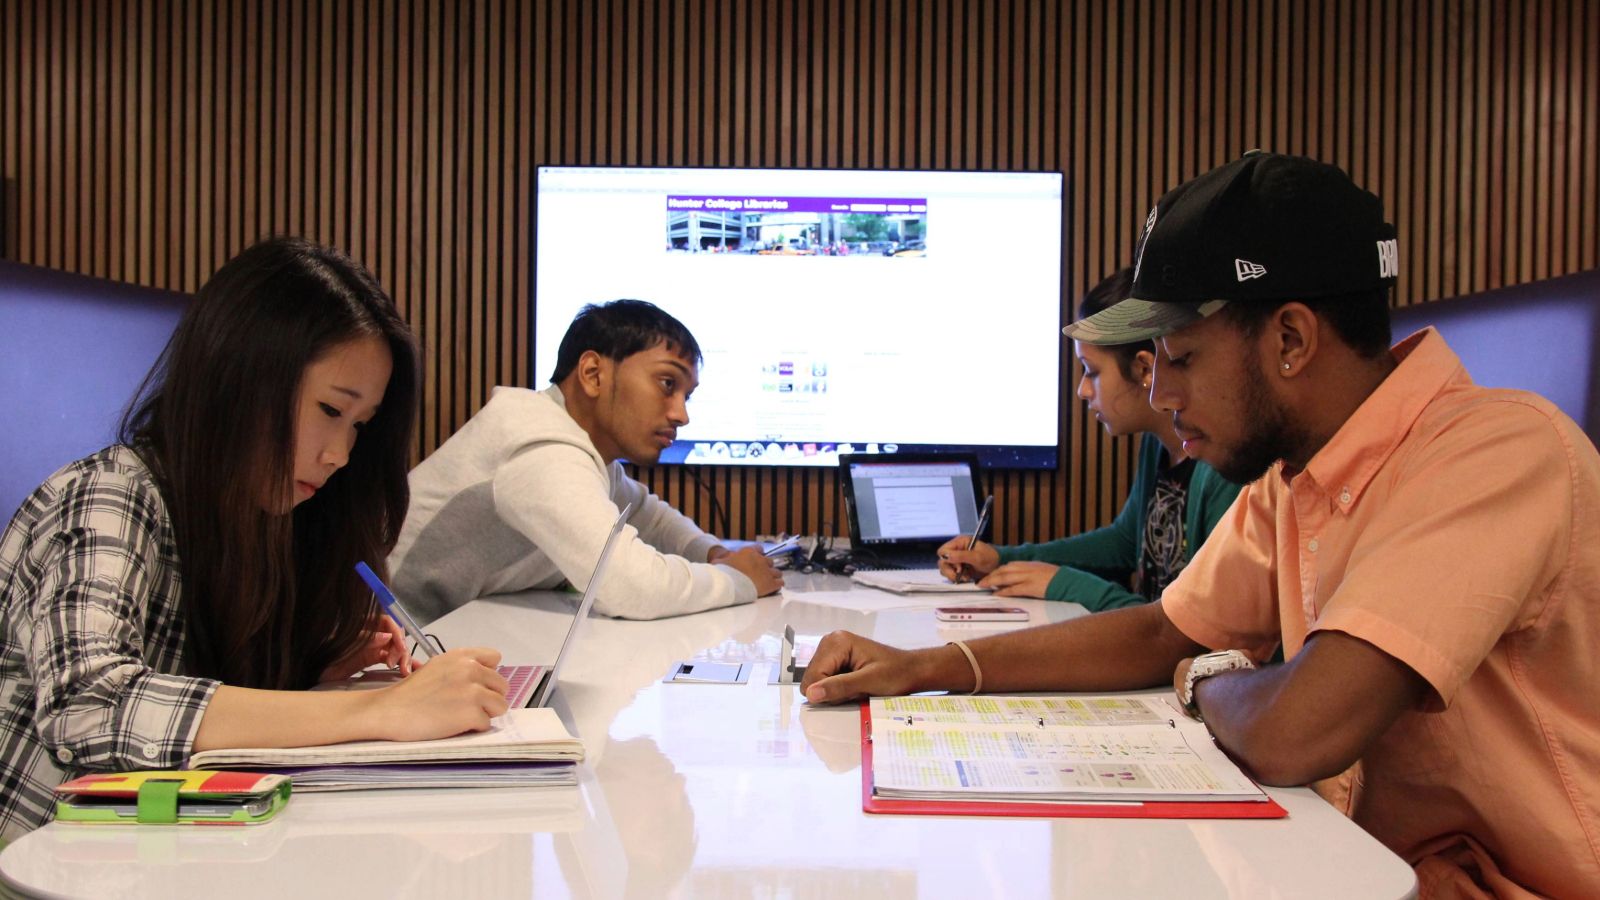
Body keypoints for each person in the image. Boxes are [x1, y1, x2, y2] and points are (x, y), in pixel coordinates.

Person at [800, 151, 1600, 897]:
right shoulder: (1291, 474)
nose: (1166, 392)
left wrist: (1204, 678)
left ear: (1289, 339)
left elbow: (1295, 729)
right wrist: (926, 668)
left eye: (1181, 357)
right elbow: (1160, 633)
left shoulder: (1499, 451)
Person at [0, 237, 510, 845]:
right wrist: (377, 711)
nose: (340, 454)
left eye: (360, 426)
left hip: (151, 852)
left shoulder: (262, 512)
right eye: (328, 408)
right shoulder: (108, 494)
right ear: (239, 376)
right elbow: (88, 706)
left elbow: (191, 692)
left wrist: (310, 665)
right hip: (33, 859)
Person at [388, 299, 783, 624]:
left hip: (438, 641)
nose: (682, 414)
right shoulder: (540, 447)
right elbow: (630, 587)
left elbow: (649, 515)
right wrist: (736, 579)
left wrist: (711, 552)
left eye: (687, 395)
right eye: (667, 384)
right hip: (376, 655)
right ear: (593, 374)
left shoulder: (583, 449)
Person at [935, 268, 1241, 610]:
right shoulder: (1159, 444)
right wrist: (1003, 558)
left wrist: (1064, 583)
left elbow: (1192, 630)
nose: (1082, 390)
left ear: (1144, 369)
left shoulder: (1223, 468)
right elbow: (1125, 542)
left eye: (1092, 371)